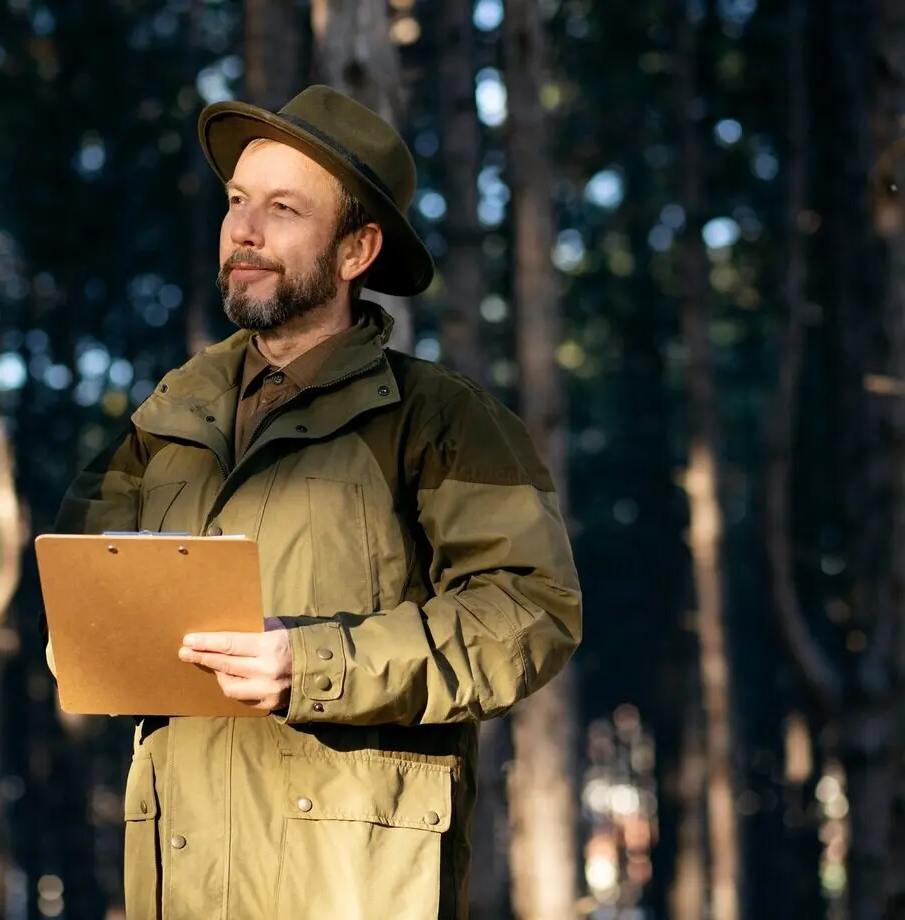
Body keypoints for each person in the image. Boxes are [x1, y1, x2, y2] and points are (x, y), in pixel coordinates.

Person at [47, 84, 582, 920]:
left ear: (357, 249)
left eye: (284, 208)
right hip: (183, 877)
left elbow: (532, 610)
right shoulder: (168, 417)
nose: (244, 231)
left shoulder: (440, 419)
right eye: (236, 203)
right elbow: (77, 601)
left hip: (352, 880)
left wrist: (315, 662)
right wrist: (92, 643)